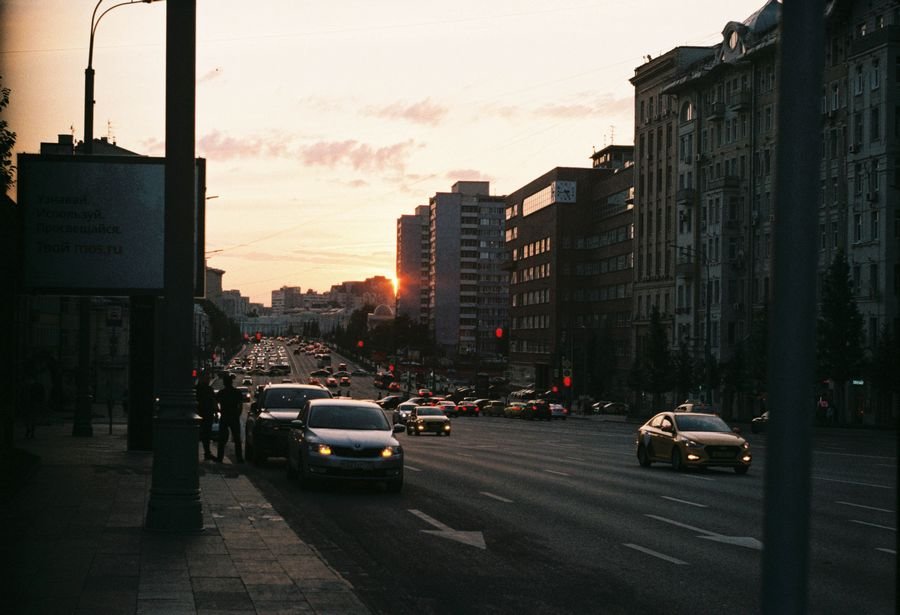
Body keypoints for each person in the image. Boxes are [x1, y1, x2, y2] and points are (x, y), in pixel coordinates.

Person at [215, 373, 244, 463]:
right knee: (237, 438)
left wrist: (218, 411)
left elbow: (215, 402)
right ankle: (239, 458)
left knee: (222, 439)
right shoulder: (237, 392)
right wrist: (238, 413)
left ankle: (220, 457)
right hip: (234, 416)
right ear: (231, 382)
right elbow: (240, 405)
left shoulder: (221, 393)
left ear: (224, 383)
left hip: (224, 416)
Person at [195, 372, 218, 460]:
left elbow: (213, 401)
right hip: (204, 413)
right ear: (202, 379)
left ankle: (206, 452)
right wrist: (215, 412)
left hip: (204, 413)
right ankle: (207, 453)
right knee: (205, 435)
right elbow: (213, 401)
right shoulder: (207, 389)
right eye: (207, 378)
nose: (208, 380)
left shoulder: (198, 389)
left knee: (205, 435)